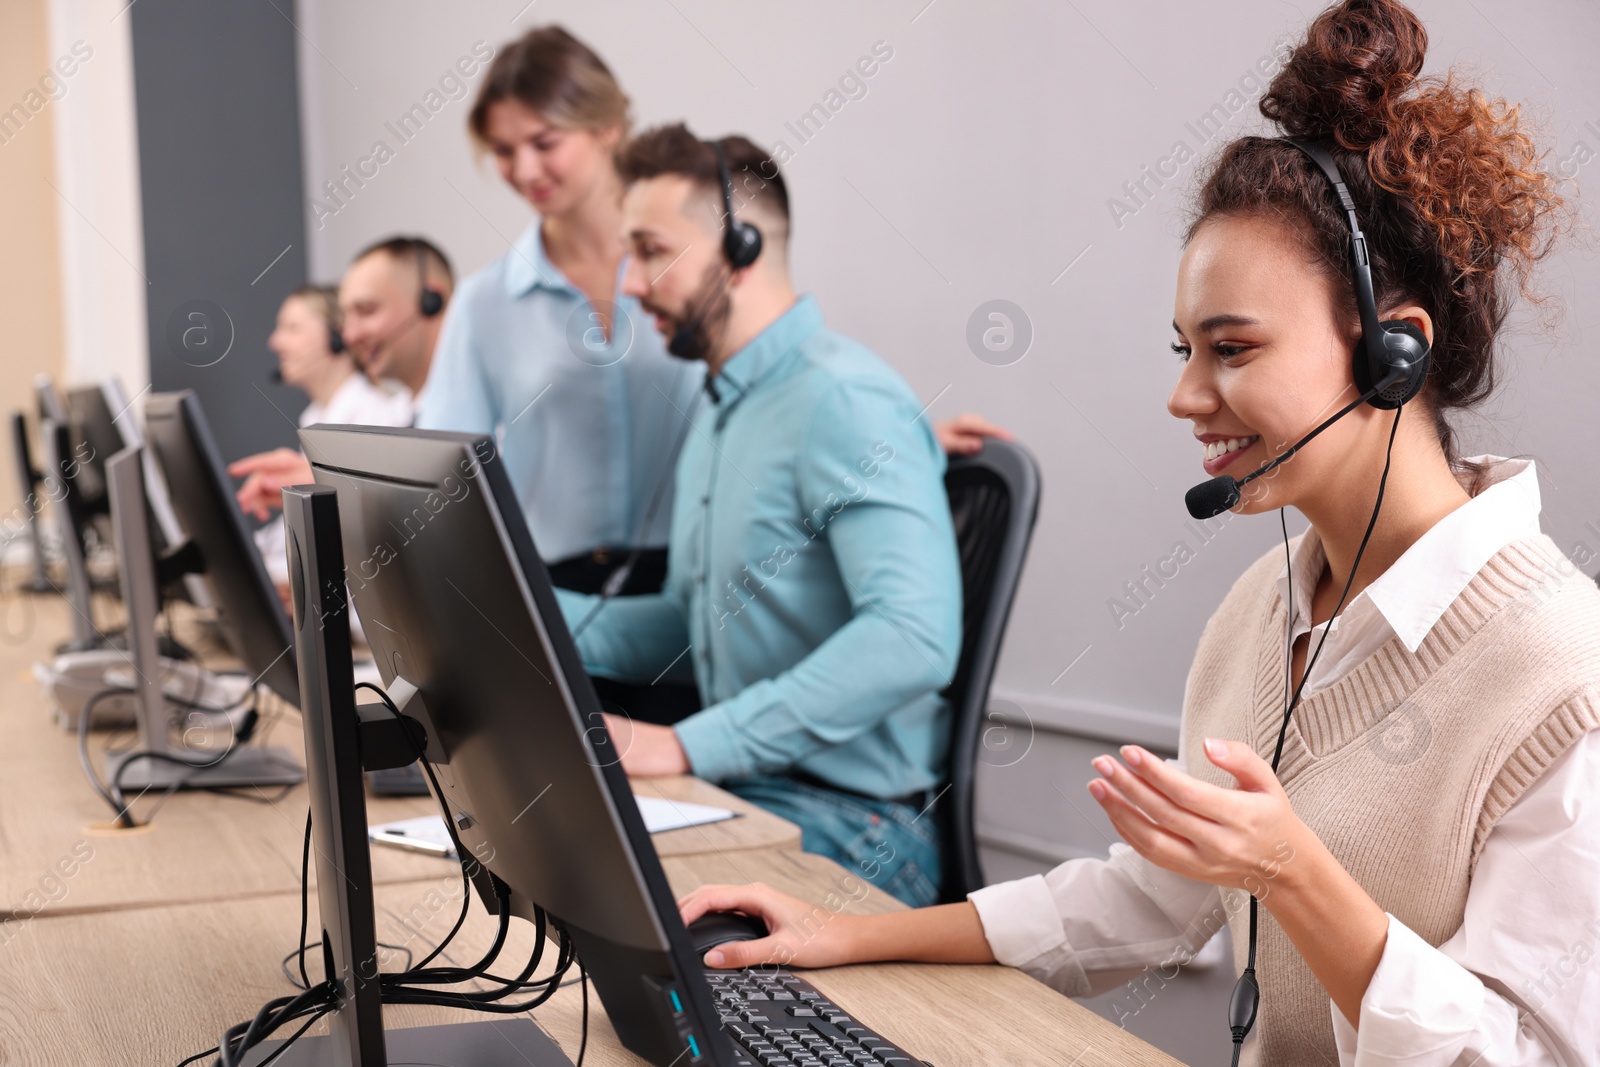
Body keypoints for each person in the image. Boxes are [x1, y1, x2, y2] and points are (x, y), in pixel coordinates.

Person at [677, 3, 1600, 1064]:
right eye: (1184, 347)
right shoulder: (1264, 608)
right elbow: (1152, 897)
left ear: (1394, 353)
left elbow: (1531, 1053)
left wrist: (1291, 870)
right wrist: (845, 935)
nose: (1184, 394)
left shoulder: (1558, 673)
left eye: (1231, 349)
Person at [419, 24, 1007, 601]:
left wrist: (889, 440)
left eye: (544, 143)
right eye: (502, 151)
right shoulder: (484, 303)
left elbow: (775, 379)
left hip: (696, 580)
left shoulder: (694, 266)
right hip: (556, 588)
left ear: (605, 127)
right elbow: (440, 474)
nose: (523, 171)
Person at [554, 123, 964, 908]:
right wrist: (514, 620)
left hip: (862, 827)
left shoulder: (843, 398)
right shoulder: (723, 406)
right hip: (752, 792)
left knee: (592, 895)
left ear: (738, 246)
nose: (630, 283)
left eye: (649, 249)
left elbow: (914, 638)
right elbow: (689, 619)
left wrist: (684, 743)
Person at [230, 237, 453, 521]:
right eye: (348, 318)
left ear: (430, 302)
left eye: (367, 310)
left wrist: (334, 488)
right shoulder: (407, 413)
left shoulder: (389, 419)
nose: (350, 336)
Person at [250, 285, 412, 594]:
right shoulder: (317, 418)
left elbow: (368, 544)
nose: (275, 341)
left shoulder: (374, 419)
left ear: (338, 337)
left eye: (292, 328)